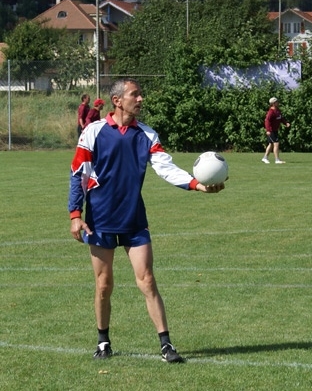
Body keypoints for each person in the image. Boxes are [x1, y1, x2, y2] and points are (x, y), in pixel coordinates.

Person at [68, 78, 225, 363]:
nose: (141, 99)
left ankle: (166, 345)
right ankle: (103, 342)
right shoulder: (94, 131)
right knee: (103, 285)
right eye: (135, 95)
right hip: (100, 219)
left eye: (140, 95)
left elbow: (166, 168)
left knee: (148, 280)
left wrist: (197, 185)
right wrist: (75, 214)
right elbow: (78, 172)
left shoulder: (147, 135)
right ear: (117, 101)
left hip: (134, 218)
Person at [261, 97, 290, 164]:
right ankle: (277, 160)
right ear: (273, 103)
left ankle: (265, 158)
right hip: (271, 131)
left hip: (275, 130)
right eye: (277, 102)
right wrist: (268, 130)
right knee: (276, 144)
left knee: (271, 144)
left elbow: (281, 118)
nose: (278, 103)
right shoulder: (271, 112)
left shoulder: (277, 110)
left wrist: (285, 123)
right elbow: (267, 121)